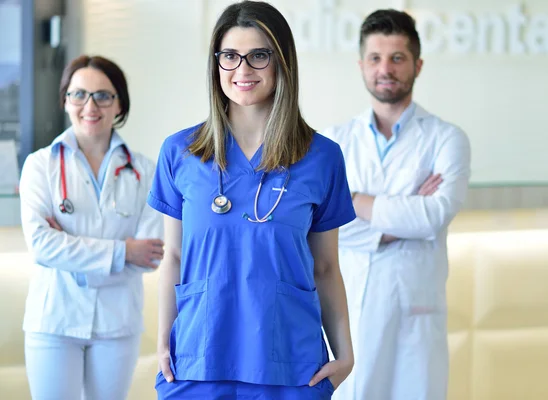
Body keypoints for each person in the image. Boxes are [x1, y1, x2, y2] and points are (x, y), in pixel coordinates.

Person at [148, 1, 355, 399]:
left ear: (282, 63)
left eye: (259, 55)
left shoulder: (321, 157)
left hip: (290, 362)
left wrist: (345, 355)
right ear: (216, 64)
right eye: (229, 56)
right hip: (197, 358)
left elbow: (326, 266)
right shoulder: (180, 152)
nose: (242, 70)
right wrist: (162, 342)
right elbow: (173, 257)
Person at [322, 9, 471, 400]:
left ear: (418, 65)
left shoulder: (447, 139)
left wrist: (355, 201)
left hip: (413, 320)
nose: (385, 68)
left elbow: (433, 215)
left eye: (397, 58)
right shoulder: (333, 143)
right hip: (348, 312)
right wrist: (402, 214)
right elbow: (321, 226)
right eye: (375, 58)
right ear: (361, 65)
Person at [19, 55, 164, 400]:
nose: (90, 105)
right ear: (65, 100)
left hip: (117, 323)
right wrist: (123, 251)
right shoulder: (40, 165)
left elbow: (153, 253)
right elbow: (41, 246)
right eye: (78, 94)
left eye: (103, 95)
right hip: (53, 319)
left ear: (119, 104)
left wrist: (68, 246)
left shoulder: (145, 171)